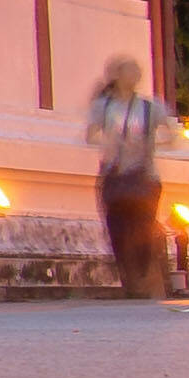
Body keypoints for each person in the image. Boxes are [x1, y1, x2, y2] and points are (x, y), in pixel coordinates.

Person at [78, 50, 170, 300]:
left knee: (143, 228)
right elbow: (90, 135)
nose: (134, 75)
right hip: (114, 173)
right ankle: (129, 280)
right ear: (117, 75)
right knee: (118, 228)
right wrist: (111, 144)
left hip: (143, 175)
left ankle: (143, 279)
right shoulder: (104, 107)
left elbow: (168, 135)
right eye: (128, 70)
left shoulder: (150, 108)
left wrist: (147, 145)